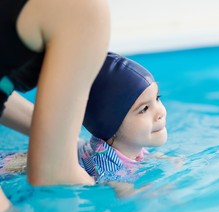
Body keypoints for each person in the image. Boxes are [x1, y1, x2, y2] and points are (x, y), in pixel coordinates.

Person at [0, 0, 110, 188]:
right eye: (144, 108)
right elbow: (53, 176)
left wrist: (69, 143)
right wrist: (105, 186)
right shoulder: (83, 10)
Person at [78, 52, 168, 187]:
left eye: (157, 98)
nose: (160, 112)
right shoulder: (110, 169)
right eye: (144, 109)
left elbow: (137, 156)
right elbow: (129, 198)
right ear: (112, 126)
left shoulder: (127, 141)